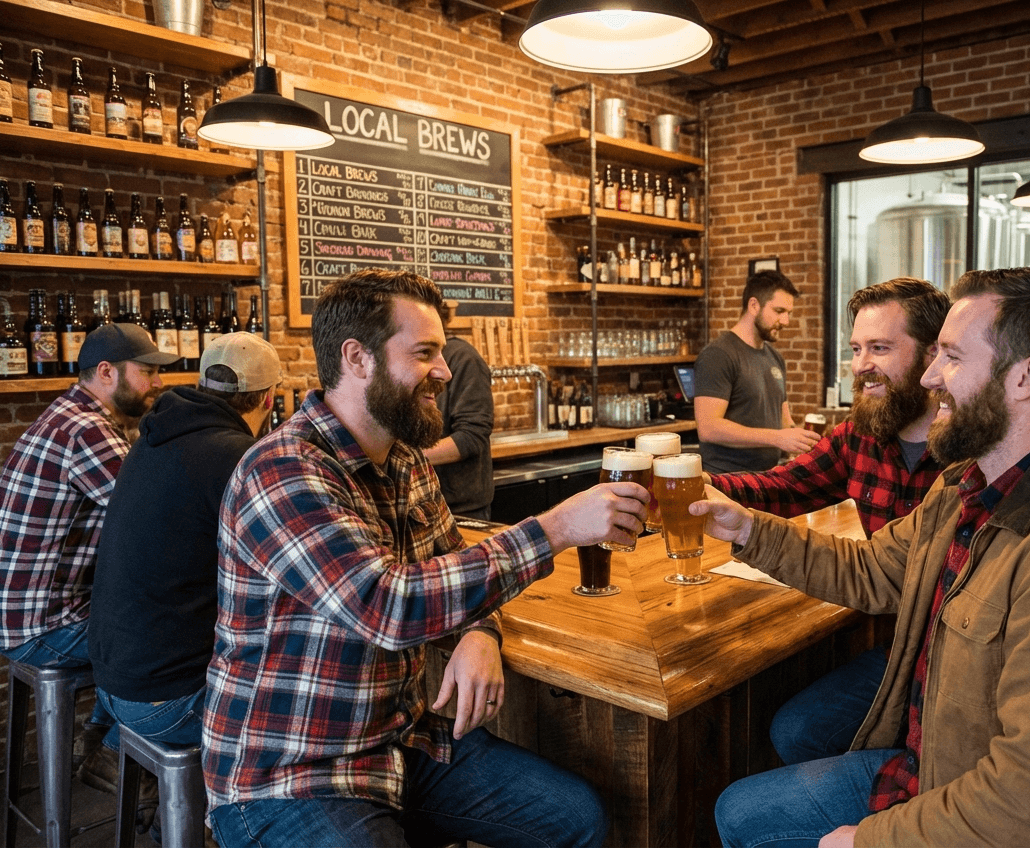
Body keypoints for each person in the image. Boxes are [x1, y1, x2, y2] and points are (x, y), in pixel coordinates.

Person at [696, 267, 1030, 847]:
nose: (930, 375)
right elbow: (870, 570)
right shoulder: (966, 486)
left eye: (950, 355)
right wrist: (744, 527)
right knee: (741, 810)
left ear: (1027, 375)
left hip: (993, 819)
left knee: (752, 812)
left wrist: (866, 841)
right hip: (932, 773)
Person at [202, 269, 646, 848]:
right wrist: (557, 527)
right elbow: (385, 606)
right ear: (357, 359)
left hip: (399, 744)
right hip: (292, 771)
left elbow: (456, 568)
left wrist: (481, 633)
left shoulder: (405, 460)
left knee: (578, 816)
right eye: (425, 353)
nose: (445, 370)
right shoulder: (283, 468)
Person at [708, 277, 949, 765]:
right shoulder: (860, 435)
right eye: (857, 348)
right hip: (898, 645)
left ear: (932, 356)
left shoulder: (971, 448)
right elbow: (786, 488)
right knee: (796, 728)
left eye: (880, 347)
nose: (861, 365)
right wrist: (701, 488)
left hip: (953, 652)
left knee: (802, 731)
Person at [83, 333, 281, 804]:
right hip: (163, 702)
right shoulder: (239, 457)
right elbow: (282, 571)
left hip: (108, 683)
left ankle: (127, 759)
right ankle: (208, 823)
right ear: (270, 398)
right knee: (301, 706)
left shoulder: (153, 436)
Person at [0, 323, 178, 758]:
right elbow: (154, 517)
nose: (158, 383)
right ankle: (116, 753)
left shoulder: (68, 413)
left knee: (143, 617)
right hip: (41, 626)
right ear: (106, 371)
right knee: (178, 637)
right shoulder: (86, 430)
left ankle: (102, 739)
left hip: (23, 614)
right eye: (147, 371)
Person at [694, 269, 818, 473]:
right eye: (779, 311)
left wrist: (799, 440)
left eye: (789, 313)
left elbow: (784, 421)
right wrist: (777, 438)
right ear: (754, 305)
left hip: (766, 478)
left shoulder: (775, 357)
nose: (786, 321)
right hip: (726, 481)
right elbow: (708, 428)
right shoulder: (718, 355)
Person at [425, 306, 494, 520]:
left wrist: (405, 459)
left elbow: (472, 437)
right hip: (424, 506)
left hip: (462, 509)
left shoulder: (463, 358)